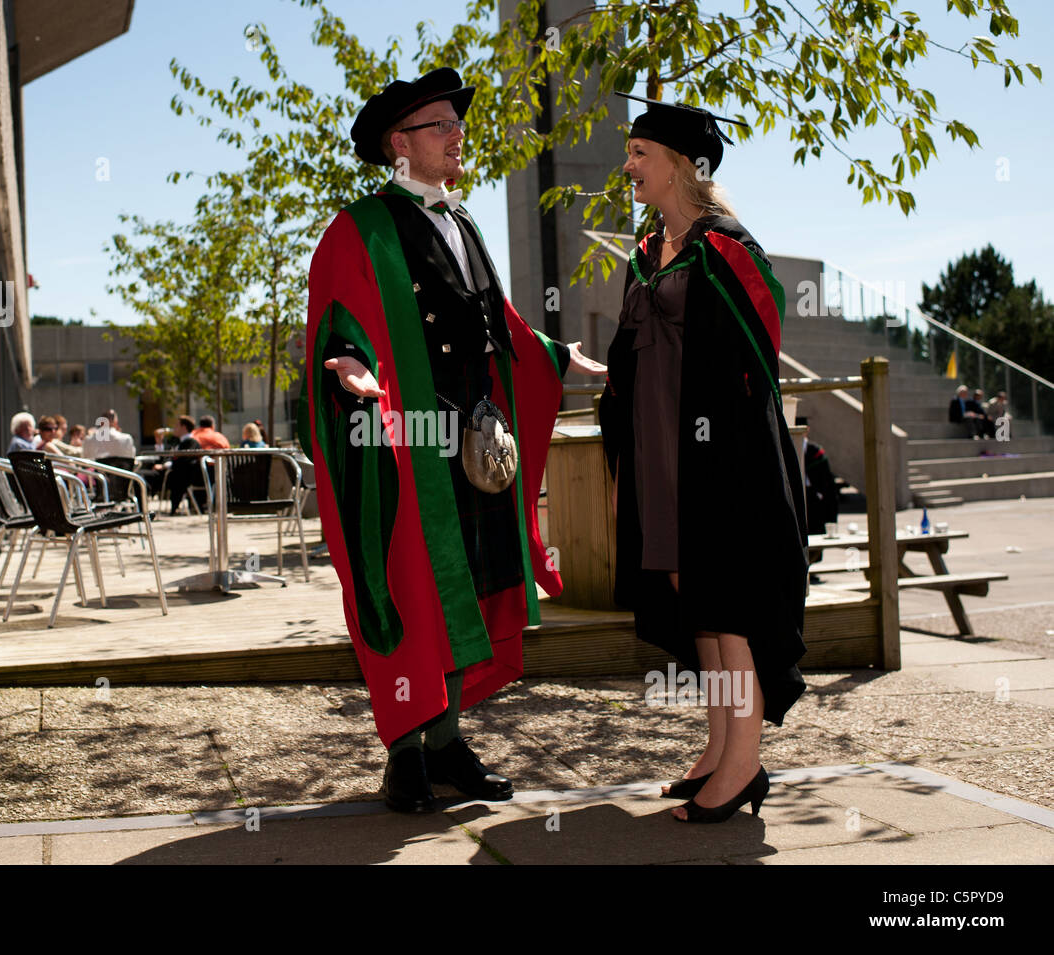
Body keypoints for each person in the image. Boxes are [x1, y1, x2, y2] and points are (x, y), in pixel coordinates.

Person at [298, 68, 607, 814]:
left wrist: (557, 356)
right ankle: (405, 751)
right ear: (399, 144)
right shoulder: (360, 228)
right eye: (441, 125)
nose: (457, 135)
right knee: (408, 587)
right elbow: (338, 319)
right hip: (406, 444)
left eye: (455, 125)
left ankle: (447, 740)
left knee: (465, 586)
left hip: (470, 445)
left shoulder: (463, 225)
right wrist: (348, 363)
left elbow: (497, 321)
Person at [598, 93, 808, 823]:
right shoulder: (648, 251)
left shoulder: (727, 248)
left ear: (680, 165)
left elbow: (757, 360)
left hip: (718, 454)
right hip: (659, 450)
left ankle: (745, 760)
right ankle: (721, 743)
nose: (627, 166)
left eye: (639, 155)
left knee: (729, 603)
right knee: (699, 604)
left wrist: (730, 455)